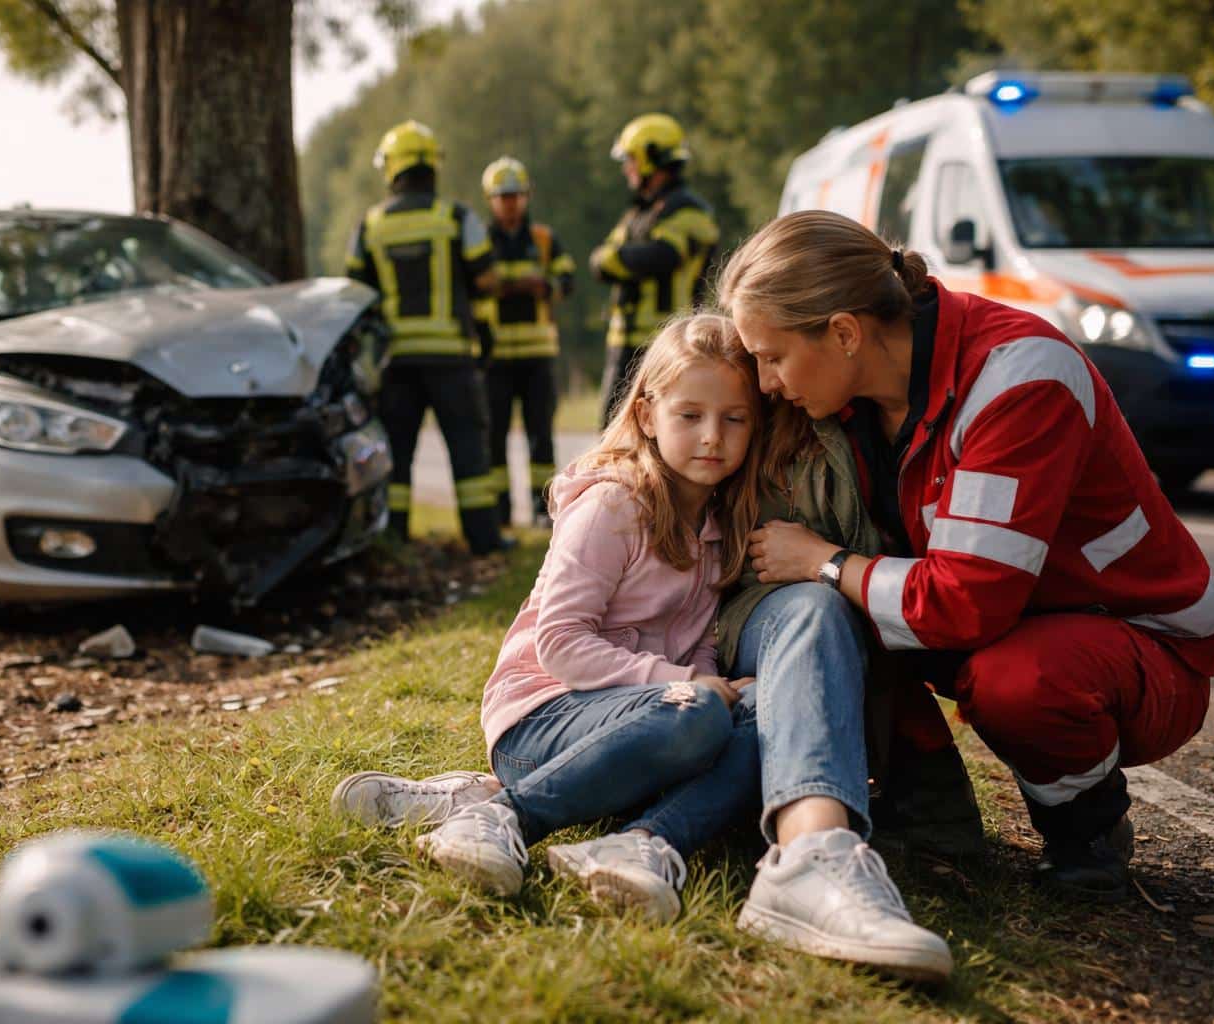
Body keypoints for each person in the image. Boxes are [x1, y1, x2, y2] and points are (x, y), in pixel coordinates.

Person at [333, 313, 954, 983]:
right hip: (547, 716)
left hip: (651, 717)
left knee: (766, 717)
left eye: (735, 420)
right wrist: (684, 682)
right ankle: (501, 815)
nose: (713, 438)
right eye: (691, 415)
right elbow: (561, 642)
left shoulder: (721, 524)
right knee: (695, 712)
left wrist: (719, 682)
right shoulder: (613, 505)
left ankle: (641, 845)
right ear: (648, 412)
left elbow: (703, 642)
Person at [719, 209, 1214, 905]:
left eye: (771, 357)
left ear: (844, 333)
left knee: (1013, 680)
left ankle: (1084, 828)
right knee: (835, 620)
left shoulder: (1019, 377)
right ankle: (928, 813)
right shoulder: (852, 392)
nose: (765, 383)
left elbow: (962, 603)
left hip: (1139, 648)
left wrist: (825, 561)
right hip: (1006, 613)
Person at [346, 120, 508, 555]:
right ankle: (485, 540)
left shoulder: (370, 225)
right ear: (432, 165)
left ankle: (393, 537)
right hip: (451, 356)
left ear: (391, 169)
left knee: (397, 454)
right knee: (468, 453)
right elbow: (488, 278)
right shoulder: (456, 217)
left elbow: (357, 293)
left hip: (396, 362)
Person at [590, 113, 720, 427]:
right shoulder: (640, 212)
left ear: (651, 158)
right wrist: (621, 257)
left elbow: (663, 256)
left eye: (631, 159)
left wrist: (619, 258)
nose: (627, 168)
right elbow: (599, 262)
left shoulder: (688, 209)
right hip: (625, 342)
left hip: (673, 342)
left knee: (666, 433)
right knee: (614, 431)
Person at [473, 157, 576, 528]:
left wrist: (546, 286)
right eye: (503, 197)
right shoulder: (479, 242)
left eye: (516, 195)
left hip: (537, 354)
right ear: (490, 199)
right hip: (495, 356)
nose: (511, 203)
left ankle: (542, 509)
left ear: (526, 197)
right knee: (495, 435)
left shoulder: (544, 240)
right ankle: (500, 510)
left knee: (540, 436)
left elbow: (567, 277)